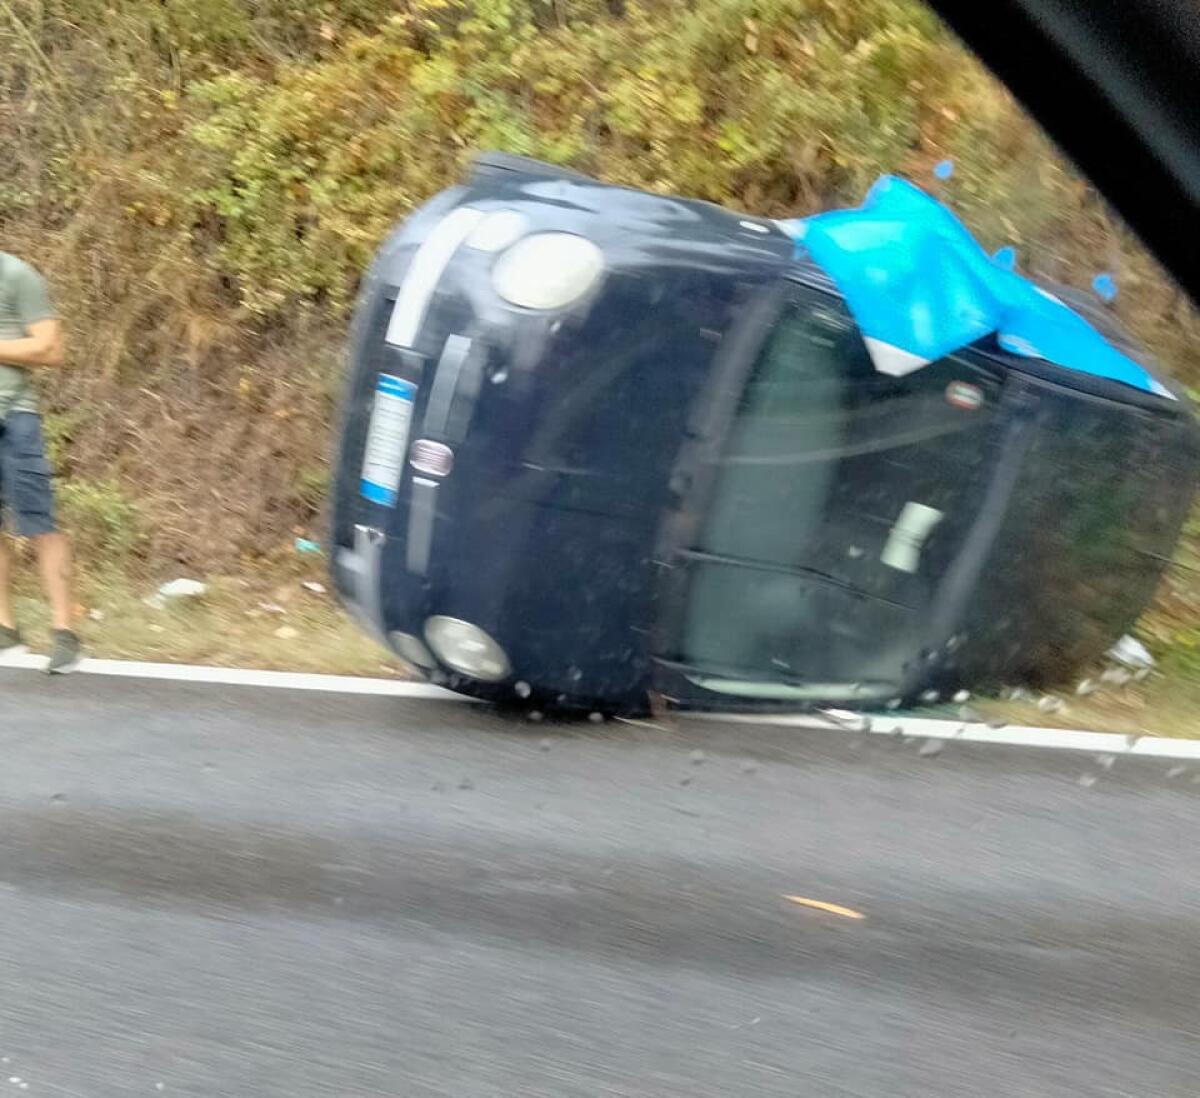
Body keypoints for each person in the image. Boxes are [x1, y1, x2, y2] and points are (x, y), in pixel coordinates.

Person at [0, 251, 81, 673]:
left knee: (40, 524)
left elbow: (51, 349)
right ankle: (4, 629)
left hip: (15, 416)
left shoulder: (16, 275)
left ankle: (65, 633)